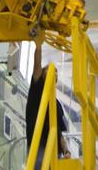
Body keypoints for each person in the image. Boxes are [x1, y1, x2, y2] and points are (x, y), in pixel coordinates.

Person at [25, 40, 69, 169]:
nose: (53, 72)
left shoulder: (57, 104)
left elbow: (58, 131)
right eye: (49, 70)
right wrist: (38, 46)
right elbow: (36, 66)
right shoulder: (37, 91)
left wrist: (66, 150)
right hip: (38, 148)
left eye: (55, 71)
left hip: (55, 152)